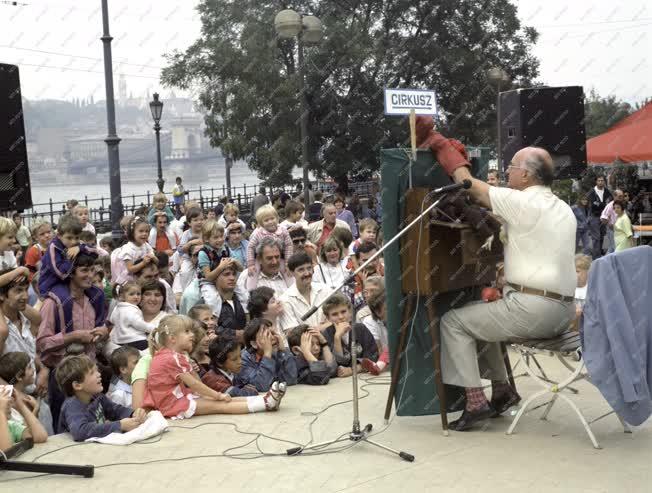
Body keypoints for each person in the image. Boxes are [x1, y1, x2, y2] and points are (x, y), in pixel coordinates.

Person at [420, 115, 575, 431]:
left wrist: (441, 144)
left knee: (453, 322)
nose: (507, 172)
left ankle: (475, 402)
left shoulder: (522, 202)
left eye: (513, 168)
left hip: (534, 311)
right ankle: (502, 389)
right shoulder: (562, 207)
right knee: (484, 316)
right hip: (563, 311)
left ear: (528, 175)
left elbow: (468, 184)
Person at [143, 315, 286, 418]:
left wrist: (209, 393)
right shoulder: (172, 357)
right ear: (172, 338)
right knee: (220, 404)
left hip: (179, 399)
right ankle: (265, 404)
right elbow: (194, 384)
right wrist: (217, 395)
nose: (192, 334)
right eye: (186, 332)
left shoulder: (173, 355)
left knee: (225, 399)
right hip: (173, 405)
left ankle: (266, 399)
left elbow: (196, 381)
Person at [36, 254, 108, 429]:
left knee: (92, 425)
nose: (90, 275)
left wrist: (104, 331)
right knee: (64, 430)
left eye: (92, 270)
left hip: (91, 373)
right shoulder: (53, 303)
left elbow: (105, 327)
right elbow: (43, 343)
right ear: (70, 273)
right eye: (84, 270)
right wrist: (73, 336)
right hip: (63, 376)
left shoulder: (95, 299)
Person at [55, 354, 146, 441]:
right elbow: (81, 431)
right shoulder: (72, 406)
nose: (98, 374)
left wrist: (133, 413)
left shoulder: (97, 396)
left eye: (97, 370)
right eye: (92, 373)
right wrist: (120, 425)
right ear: (77, 385)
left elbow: (114, 410)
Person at [0, 273, 48, 396]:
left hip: (34, 395)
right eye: (18, 291)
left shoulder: (28, 320)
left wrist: (42, 369)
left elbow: (29, 352)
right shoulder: (2, 330)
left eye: (26, 290)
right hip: (10, 405)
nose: (26, 296)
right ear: (2, 295)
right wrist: (19, 398)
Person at [321, 292, 379, 377]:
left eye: (343, 311)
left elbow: (373, 357)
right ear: (328, 317)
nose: (340, 317)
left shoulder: (361, 329)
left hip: (363, 377)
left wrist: (353, 369)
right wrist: (337, 338)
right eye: (334, 314)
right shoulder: (326, 334)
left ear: (350, 312)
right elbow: (332, 368)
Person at [0, 352, 54, 435]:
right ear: (19, 376)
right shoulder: (14, 403)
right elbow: (27, 431)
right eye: (29, 368)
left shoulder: (26, 396)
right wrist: (36, 410)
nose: (33, 371)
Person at [239, 318, 297, 391]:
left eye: (273, 333)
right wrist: (267, 355)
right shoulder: (243, 359)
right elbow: (262, 386)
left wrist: (283, 351)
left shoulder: (278, 353)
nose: (273, 338)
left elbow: (291, 380)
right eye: (267, 335)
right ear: (254, 344)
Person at [278, 252, 331, 332]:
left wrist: (319, 328)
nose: (307, 273)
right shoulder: (285, 300)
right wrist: (323, 327)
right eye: (301, 270)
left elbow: (340, 320)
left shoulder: (325, 289)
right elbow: (292, 333)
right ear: (291, 272)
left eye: (309, 268)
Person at [236, 237, 294, 304]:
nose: (274, 262)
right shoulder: (247, 276)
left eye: (277, 257)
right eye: (269, 258)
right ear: (259, 259)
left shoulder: (289, 274)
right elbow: (243, 304)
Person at [197, 220, 235, 314]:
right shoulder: (203, 253)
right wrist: (221, 267)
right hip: (208, 282)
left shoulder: (225, 248)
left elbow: (240, 268)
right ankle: (214, 322)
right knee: (213, 300)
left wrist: (234, 261)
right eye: (216, 237)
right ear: (206, 239)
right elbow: (208, 277)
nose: (220, 240)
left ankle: (246, 320)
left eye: (221, 236)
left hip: (224, 278)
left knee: (243, 293)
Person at [246, 205, 293, 277]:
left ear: (277, 218)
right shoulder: (259, 234)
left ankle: (291, 286)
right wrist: (251, 264)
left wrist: (288, 262)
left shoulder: (283, 231)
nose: (270, 222)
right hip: (262, 259)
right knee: (254, 271)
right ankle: (251, 287)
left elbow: (289, 246)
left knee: (287, 271)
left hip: (280, 257)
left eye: (272, 218)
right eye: (266, 220)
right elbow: (250, 247)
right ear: (261, 223)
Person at [109, 281, 156, 350]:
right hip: (135, 340)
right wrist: (153, 328)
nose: (136, 297)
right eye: (131, 294)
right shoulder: (131, 309)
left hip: (119, 341)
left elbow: (112, 319)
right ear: (123, 296)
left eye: (138, 294)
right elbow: (139, 324)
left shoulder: (117, 308)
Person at [111, 216, 157, 285]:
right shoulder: (128, 249)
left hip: (146, 275)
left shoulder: (146, 245)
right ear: (132, 233)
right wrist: (143, 263)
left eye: (147, 231)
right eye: (141, 231)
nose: (144, 234)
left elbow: (156, 262)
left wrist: (153, 257)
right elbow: (130, 269)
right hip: (130, 279)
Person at [0, 387, 48, 451]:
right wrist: (1, 413)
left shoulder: (10, 426)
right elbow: (6, 453)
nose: (9, 403)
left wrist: (21, 405)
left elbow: (40, 437)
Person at [175, 207, 204, 294]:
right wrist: (191, 243)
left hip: (203, 258)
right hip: (188, 259)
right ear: (189, 222)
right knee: (185, 272)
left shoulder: (205, 232)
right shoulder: (186, 233)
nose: (199, 222)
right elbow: (182, 249)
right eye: (195, 220)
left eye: (201, 219)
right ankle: (186, 291)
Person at [360, 291, 390, 375]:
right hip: (385, 357)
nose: (393, 310)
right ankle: (377, 366)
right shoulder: (369, 321)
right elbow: (377, 349)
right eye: (387, 308)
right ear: (377, 312)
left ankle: (378, 366)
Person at [586, 176, 613, 258]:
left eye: (602, 180)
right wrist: (603, 204)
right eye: (599, 180)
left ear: (604, 182)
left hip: (604, 217)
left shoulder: (607, 191)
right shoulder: (591, 192)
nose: (601, 182)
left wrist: (600, 205)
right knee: (596, 237)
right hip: (594, 216)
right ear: (596, 182)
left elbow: (610, 202)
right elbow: (594, 205)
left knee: (601, 236)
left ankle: (599, 253)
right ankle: (596, 257)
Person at [600, 189, 625, 254]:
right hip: (612, 230)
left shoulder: (620, 205)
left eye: (622, 196)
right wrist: (609, 224)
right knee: (616, 247)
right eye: (619, 196)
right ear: (614, 196)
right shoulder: (610, 205)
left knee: (612, 248)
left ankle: (605, 261)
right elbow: (603, 218)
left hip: (618, 229)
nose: (621, 198)